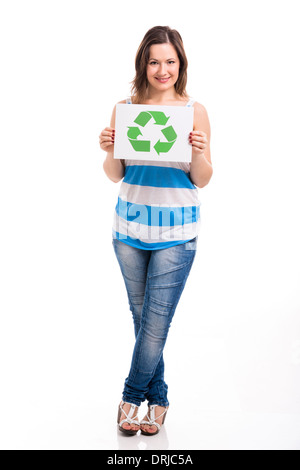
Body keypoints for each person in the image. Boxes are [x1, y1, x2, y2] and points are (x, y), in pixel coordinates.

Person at [99, 25, 213, 436]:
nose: (162, 69)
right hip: (128, 227)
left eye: (170, 61)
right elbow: (115, 174)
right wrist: (109, 148)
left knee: (156, 320)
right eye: (154, 61)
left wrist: (199, 152)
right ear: (143, 64)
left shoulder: (193, 110)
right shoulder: (125, 107)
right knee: (143, 318)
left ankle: (131, 397)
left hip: (177, 231)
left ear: (180, 64)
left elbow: (202, 178)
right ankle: (159, 400)